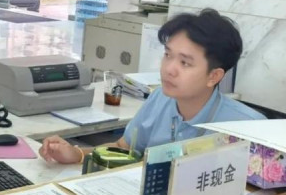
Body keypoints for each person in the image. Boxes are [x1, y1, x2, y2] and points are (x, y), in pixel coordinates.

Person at [40, 9, 265, 164]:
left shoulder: (249, 128)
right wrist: (77, 154)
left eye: (185, 63)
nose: (169, 69)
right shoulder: (160, 98)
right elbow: (124, 147)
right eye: (168, 55)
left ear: (213, 76)